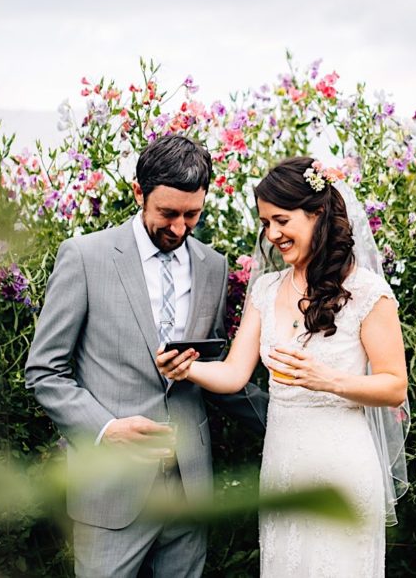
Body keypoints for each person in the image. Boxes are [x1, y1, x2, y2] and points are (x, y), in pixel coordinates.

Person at [25, 134, 268, 578]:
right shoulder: (84, 257)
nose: (179, 227)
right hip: (110, 490)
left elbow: (216, 372)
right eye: (168, 214)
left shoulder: (213, 265)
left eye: (192, 214)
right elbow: (45, 371)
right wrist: (105, 430)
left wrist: (292, 421)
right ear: (138, 192)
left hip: (189, 487)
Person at [156, 156, 409, 577]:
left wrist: (327, 380)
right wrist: (185, 369)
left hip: (341, 465)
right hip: (284, 464)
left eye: (281, 220)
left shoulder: (368, 292)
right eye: (265, 223)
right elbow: (235, 372)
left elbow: (394, 386)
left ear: (318, 214)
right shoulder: (267, 288)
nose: (272, 235)